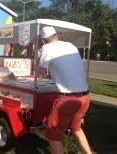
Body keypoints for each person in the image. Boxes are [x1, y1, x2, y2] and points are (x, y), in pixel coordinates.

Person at [39, 26, 92, 154]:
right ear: (56, 36)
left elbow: (42, 74)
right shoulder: (70, 45)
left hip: (68, 98)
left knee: (52, 132)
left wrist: (43, 68)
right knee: (76, 127)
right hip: (85, 97)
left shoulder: (46, 48)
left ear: (43, 41)